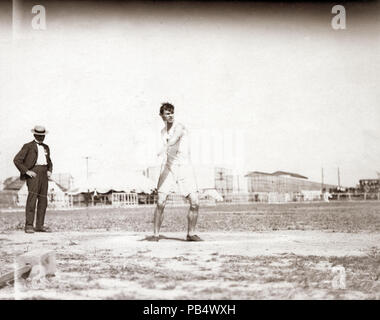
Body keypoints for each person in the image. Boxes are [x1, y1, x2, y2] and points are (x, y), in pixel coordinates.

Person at [149, 102, 202, 242]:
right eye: (167, 113)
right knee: (160, 202)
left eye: (172, 112)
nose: (170, 115)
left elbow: (175, 138)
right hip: (169, 167)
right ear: (161, 116)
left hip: (185, 168)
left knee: (195, 202)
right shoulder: (162, 132)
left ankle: (191, 234)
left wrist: (165, 146)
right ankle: (155, 235)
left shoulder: (179, 127)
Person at [13, 125, 53, 233]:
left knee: (43, 200)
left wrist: (49, 170)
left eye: (43, 136)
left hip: (44, 174)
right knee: (32, 199)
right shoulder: (27, 146)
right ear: (34, 135)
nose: (41, 138)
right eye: (39, 136)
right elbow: (17, 160)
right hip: (33, 174)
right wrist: (27, 171)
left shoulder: (46, 147)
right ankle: (29, 226)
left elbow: (49, 162)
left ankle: (40, 226)